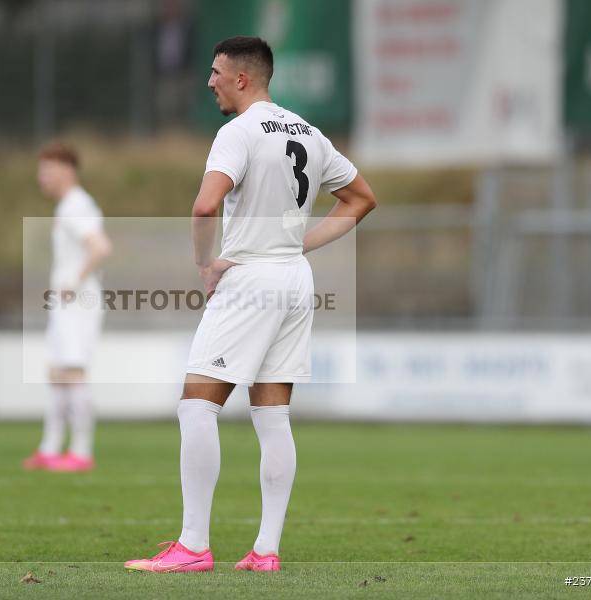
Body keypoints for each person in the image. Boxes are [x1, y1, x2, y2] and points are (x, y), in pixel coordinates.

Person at [124, 36, 376, 572]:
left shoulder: (236, 133)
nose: (209, 80)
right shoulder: (308, 131)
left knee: (197, 405)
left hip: (251, 279)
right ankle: (266, 551)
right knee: (273, 415)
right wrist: (300, 243)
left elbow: (204, 206)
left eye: (215, 72)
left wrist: (205, 265)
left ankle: (193, 546)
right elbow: (362, 198)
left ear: (242, 78)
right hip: (293, 279)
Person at [23, 143, 112, 473]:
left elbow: (101, 247)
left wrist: (75, 280)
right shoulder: (67, 207)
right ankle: (50, 449)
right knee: (58, 372)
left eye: (48, 170)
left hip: (78, 303)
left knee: (73, 373)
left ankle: (81, 452)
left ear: (67, 171)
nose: (41, 177)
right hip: (66, 303)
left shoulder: (77, 205)